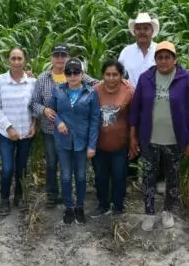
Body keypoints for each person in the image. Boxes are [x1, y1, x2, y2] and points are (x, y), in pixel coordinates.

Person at [129, 41, 189, 232]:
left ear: (174, 59)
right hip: (149, 138)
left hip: (175, 140)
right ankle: (149, 212)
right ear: (155, 59)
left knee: (173, 177)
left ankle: (167, 211)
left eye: (167, 57)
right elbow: (136, 109)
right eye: (160, 57)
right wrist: (133, 136)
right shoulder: (146, 78)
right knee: (148, 176)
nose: (163, 61)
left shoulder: (186, 78)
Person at [30, 43, 97, 208]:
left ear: (68, 58)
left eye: (63, 55)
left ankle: (74, 196)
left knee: (74, 167)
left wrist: (122, 83)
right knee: (52, 163)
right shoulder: (42, 79)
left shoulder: (76, 74)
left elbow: (98, 85)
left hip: (75, 132)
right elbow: (33, 103)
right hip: (51, 130)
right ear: (51, 58)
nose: (60, 58)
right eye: (57, 55)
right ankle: (52, 196)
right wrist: (44, 110)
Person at [50, 58, 100, 225]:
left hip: (81, 142)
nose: (72, 76)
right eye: (69, 73)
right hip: (63, 141)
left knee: (80, 176)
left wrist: (92, 145)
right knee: (65, 177)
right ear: (65, 75)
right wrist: (58, 122)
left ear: (82, 74)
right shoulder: (58, 90)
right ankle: (69, 207)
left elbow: (94, 120)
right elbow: (51, 111)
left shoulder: (91, 93)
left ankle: (79, 207)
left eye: (76, 72)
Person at [118, 12, 164, 192]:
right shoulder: (126, 52)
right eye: (138, 28)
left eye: (146, 28)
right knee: (130, 137)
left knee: (157, 140)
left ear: (152, 31)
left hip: (156, 103)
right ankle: (130, 177)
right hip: (130, 102)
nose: (142, 32)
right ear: (134, 31)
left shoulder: (160, 50)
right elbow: (119, 76)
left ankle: (157, 179)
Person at [0, 47, 37, 215]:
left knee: (21, 167)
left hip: (26, 133)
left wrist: (33, 124)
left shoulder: (32, 82)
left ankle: (19, 196)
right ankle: (4, 199)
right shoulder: (0, 81)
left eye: (19, 58)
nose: (16, 62)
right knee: (8, 168)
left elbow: (34, 106)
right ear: (8, 61)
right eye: (13, 58)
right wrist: (9, 128)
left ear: (25, 61)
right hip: (5, 134)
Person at [93, 60, 134, 217]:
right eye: (108, 74)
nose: (111, 78)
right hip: (98, 144)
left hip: (120, 144)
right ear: (103, 75)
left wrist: (132, 140)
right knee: (100, 176)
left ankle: (118, 206)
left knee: (119, 175)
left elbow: (133, 117)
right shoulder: (95, 90)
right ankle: (102, 204)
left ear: (121, 75)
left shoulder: (129, 91)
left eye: (115, 74)